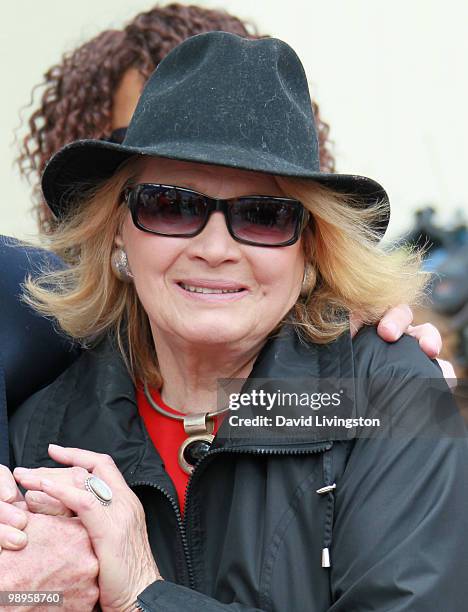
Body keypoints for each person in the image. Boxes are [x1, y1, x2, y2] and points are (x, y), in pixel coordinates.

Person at [0, 31, 466, 611]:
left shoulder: (387, 394)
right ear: (118, 230)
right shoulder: (39, 429)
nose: (215, 248)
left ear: (311, 249)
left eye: (264, 215)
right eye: (172, 206)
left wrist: (143, 597)